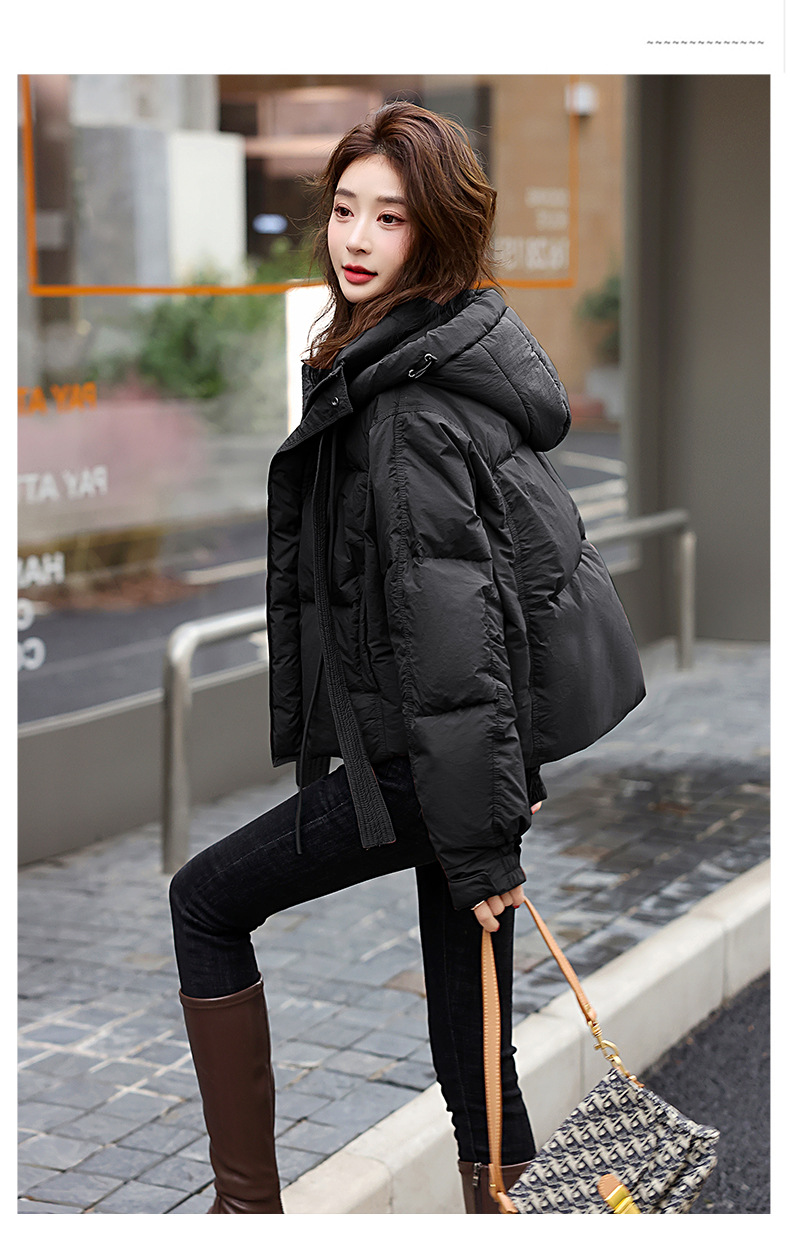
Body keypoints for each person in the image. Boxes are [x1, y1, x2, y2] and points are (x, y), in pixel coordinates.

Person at [169, 100, 645, 1215]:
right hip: (462, 765)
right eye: (345, 209)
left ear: (435, 234)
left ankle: (245, 1207)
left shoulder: (408, 409)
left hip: (428, 769)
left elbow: (453, 639)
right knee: (472, 1050)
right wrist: (492, 804)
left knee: (206, 901)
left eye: (390, 218)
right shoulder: (421, 356)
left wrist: (478, 838)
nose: (356, 238)